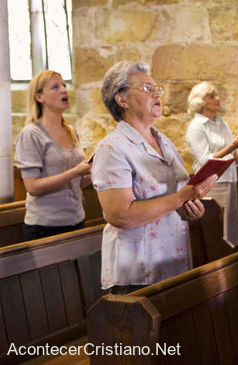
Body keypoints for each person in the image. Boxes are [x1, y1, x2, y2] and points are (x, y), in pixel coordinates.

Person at [92, 61, 217, 294]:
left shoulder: (164, 142)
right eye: (147, 88)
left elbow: (173, 198)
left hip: (172, 261)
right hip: (137, 272)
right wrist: (182, 197)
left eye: (156, 88)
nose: (157, 94)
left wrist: (190, 209)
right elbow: (120, 215)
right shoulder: (113, 148)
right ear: (122, 99)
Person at [14, 70, 92, 241]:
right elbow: (32, 187)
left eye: (64, 85)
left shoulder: (70, 130)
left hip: (76, 220)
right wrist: (75, 172)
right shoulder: (32, 134)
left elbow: (75, 182)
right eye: (55, 87)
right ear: (39, 97)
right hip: (45, 228)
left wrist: (94, 172)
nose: (64, 90)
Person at [186, 82, 238, 245]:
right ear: (200, 102)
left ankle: (233, 263)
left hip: (230, 179)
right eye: (212, 96)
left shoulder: (223, 124)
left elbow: (234, 161)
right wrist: (233, 145)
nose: (217, 98)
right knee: (217, 230)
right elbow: (205, 160)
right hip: (211, 183)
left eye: (216, 95)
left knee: (231, 229)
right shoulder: (196, 126)